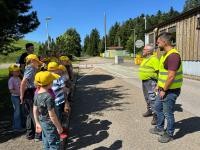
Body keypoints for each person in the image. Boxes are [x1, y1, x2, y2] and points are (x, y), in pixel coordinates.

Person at [149, 32, 183, 143]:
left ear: (164, 42)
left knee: (168, 113)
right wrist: (159, 85)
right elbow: (163, 73)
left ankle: (169, 134)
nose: (157, 44)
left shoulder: (173, 55)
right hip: (163, 89)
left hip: (170, 90)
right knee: (158, 108)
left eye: (158, 42)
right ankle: (159, 128)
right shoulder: (165, 54)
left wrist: (164, 89)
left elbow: (171, 76)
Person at [33, 71, 63, 150]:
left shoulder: (37, 93)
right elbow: (52, 115)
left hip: (42, 120)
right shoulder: (49, 97)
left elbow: (35, 109)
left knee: (46, 140)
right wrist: (59, 127)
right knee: (54, 144)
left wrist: (37, 123)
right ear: (50, 83)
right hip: (50, 123)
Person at [20, 54, 43, 140]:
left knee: (30, 114)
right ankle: (38, 134)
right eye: (37, 62)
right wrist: (22, 95)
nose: (38, 64)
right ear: (32, 61)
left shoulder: (30, 68)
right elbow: (23, 82)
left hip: (30, 92)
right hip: (30, 92)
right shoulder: (30, 68)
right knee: (35, 113)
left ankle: (30, 133)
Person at [138, 44, 159, 125]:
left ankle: (156, 116)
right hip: (144, 81)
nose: (143, 50)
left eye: (144, 49)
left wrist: (158, 84)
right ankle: (150, 110)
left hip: (151, 81)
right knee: (147, 97)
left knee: (152, 98)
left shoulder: (154, 59)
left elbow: (158, 71)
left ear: (149, 51)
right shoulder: (146, 59)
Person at [8, 64, 24, 132]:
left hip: (20, 96)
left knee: (21, 111)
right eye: (16, 71)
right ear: (11, 72)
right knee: (17, 112)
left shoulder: (18, 78)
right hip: (15, 97)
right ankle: (17, 127)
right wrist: (20, 93)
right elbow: (11, 90)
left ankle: (20, 125)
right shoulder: (11, 80)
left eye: (18, 71)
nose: (18, 72)